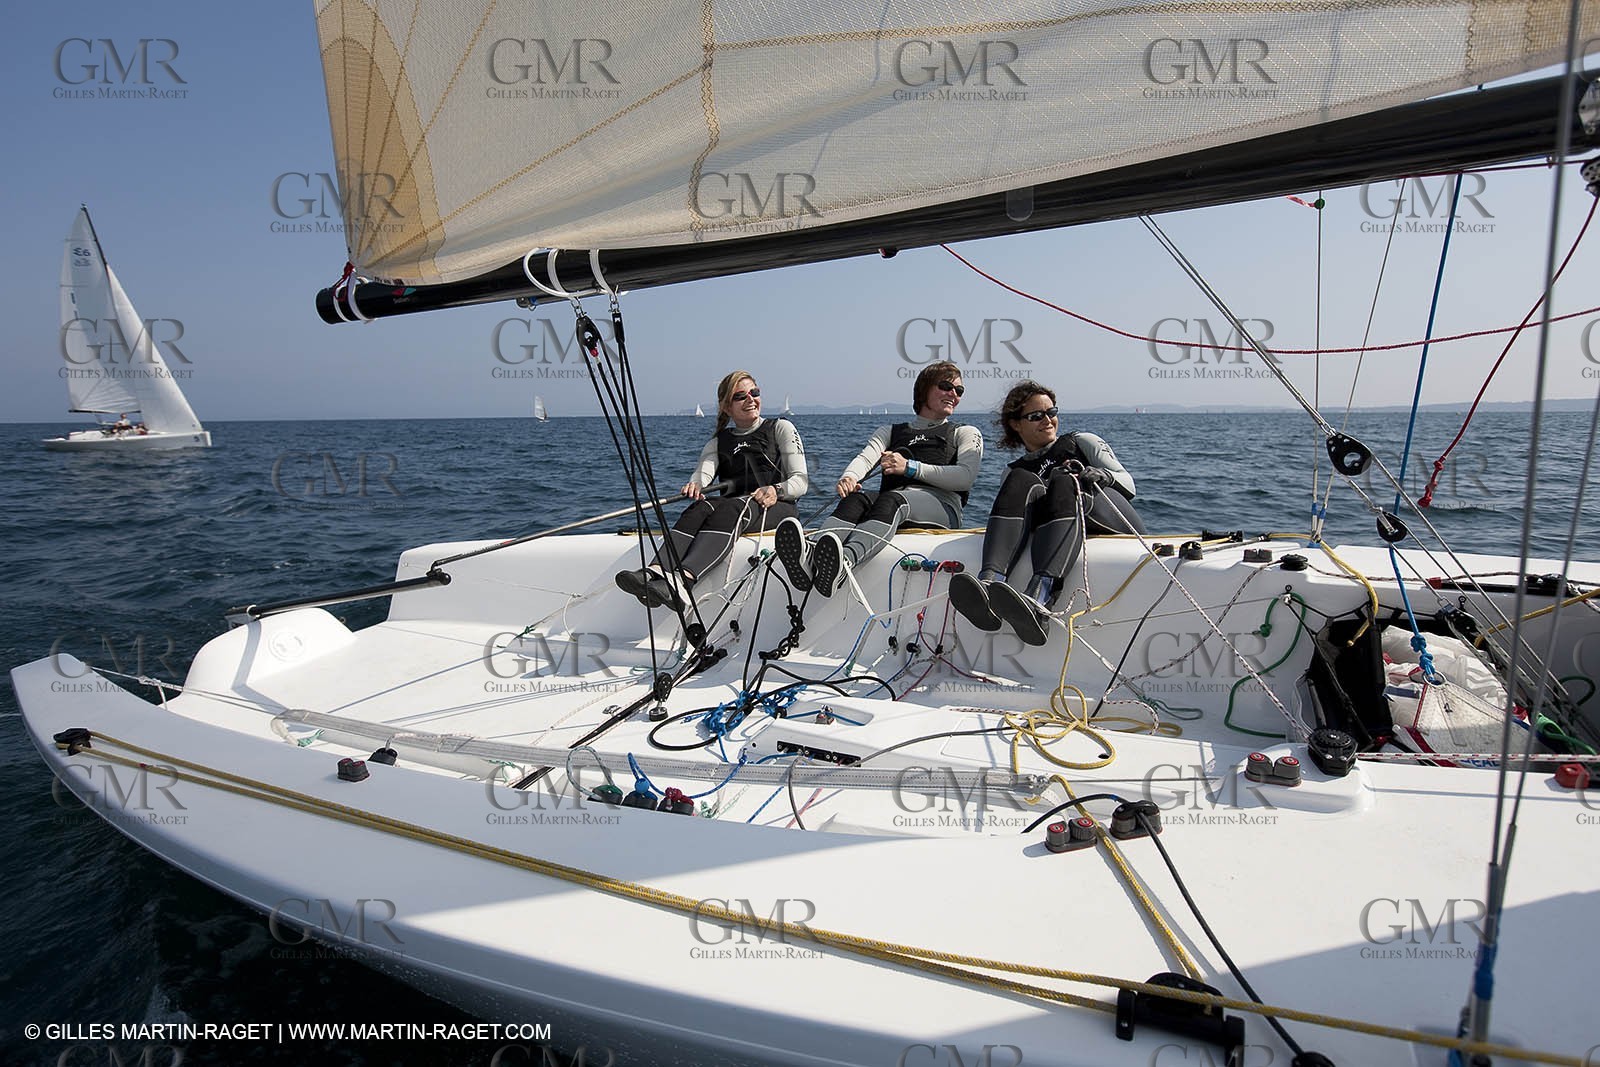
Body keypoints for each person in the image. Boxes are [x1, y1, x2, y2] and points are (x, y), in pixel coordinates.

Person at [946, 380, 1145, 646]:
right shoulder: (1014, 471)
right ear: (1016, 424)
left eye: (1052, 412)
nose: (1048, 420)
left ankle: (1040, 601)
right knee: (1019, 479)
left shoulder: (1081, 442)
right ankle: (988, 586)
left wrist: (1102, 475)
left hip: (1106, 515)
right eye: (1037, 416)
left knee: (1064, 479)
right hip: (1061, 527)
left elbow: (1129, 485)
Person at [774, 360, 981, 597]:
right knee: (856, 499)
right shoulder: (890, 432)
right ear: (924, 390)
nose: (953, 394)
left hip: (942, 507)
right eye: (946, 386)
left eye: (959, 391)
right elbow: (865, 458)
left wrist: (910, 468)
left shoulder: (965, 432)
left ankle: (844, 565)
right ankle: (810, 556)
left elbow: (965, 477)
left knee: (892, 499)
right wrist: (849, 478)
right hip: (896, 502)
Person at [615, 370, 807, 611]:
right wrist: (696, 485)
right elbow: (703, 473)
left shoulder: (781, 428)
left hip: (777, 507)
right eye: (740, 396)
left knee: (731, 505)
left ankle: (684, 581)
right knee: (700, 506)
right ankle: (654, 573)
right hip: (733, 510)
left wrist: (776, 490)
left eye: (754, 393)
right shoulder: (718, 441)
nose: (750, 399)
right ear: (727, 407)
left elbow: (801, 482)